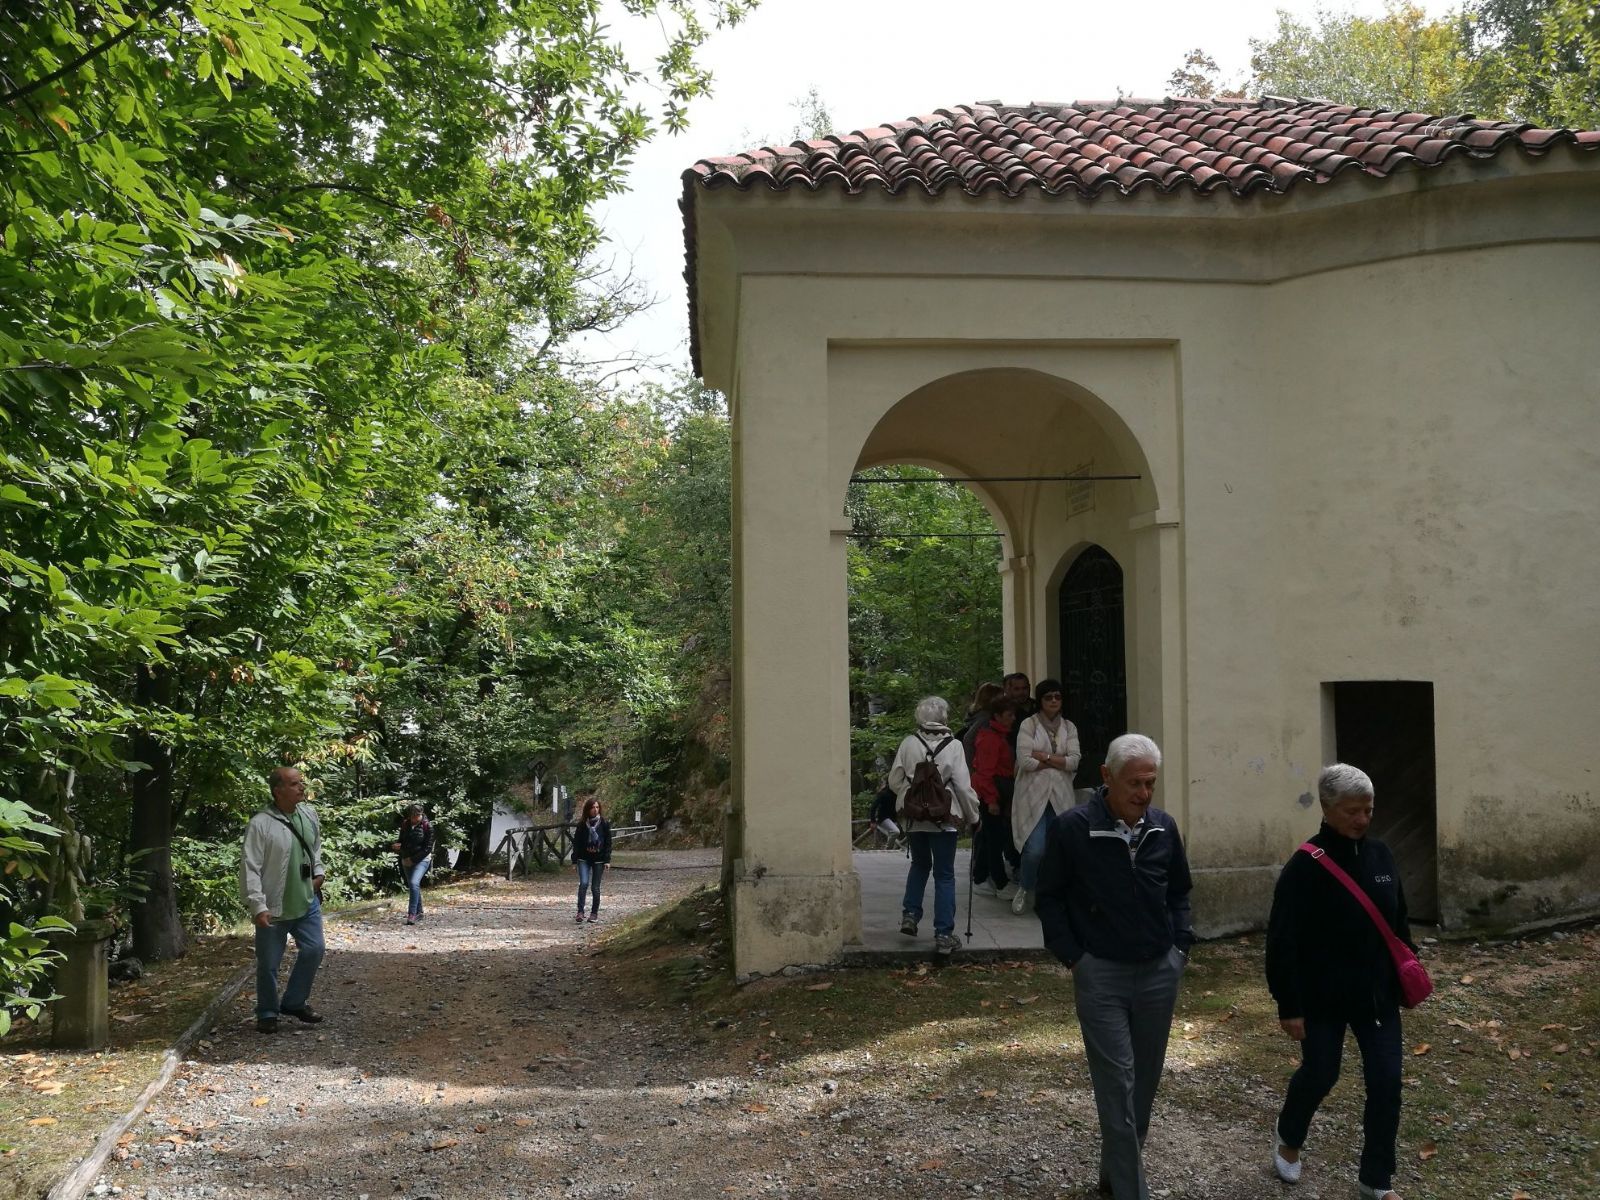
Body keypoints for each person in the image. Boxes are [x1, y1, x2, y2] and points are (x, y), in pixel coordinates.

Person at [1035, 733, 1193, 1200]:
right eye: (1135, 783)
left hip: (1158, 972)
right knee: (1117, 1083)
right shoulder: (1073, 828)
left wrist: (1180, 948)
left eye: (1151, 783)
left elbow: (1180, 892)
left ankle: (1114, 1171)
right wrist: (1075, 957)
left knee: (1143, 1084)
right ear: (1107, 776)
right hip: (1101, 974)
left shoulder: (1163, 828)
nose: (1144, 794)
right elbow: (1049, 898)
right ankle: (1131, 1190)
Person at [1265, 764, 1413, 1200]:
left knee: (1386, 1083)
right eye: (1352, 811)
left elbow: (1399, 922)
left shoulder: (1382, 855)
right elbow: (1282, 941)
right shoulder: (1304, 866)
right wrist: (1289, 1005)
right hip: (1321, 998)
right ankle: (1289, 1133)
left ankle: (1376, 1180)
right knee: (1321, 1073)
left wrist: (1407, 970)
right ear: (1327, 808)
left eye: (1368, 810)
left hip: (1377, 997)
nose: (1362, 819)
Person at [888, 695, 981, 958]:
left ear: (920, 717)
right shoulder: (955, 746)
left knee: (919, 865)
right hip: (944, 819)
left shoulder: (909, 743)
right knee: (944, 875)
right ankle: (943, 934)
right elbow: (962, 786)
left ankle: (910, 914)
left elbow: (894, 781)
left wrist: (912, 795)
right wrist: (973, 816)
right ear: (944, 717)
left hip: (915, 818)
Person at [241, 767, 326, 1035]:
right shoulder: (260, 824)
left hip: (306, 901)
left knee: (314, 950)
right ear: (278, 791)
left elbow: (315, 849)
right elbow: (250, 867)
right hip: (273, 907)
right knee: (268, 965)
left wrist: (319, 873)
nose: (301, 787)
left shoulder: (309, 815)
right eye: (294, 784)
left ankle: (294, 1002)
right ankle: (267, 1012)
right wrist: (258, 905)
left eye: (301, 783)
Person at [1009, 678, 1080, 915]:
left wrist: (1045, 757)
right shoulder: (1028, 725)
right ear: (1040, 700)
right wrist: (1058, 762)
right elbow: (1025, 761)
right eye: (1048, 697)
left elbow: (1074, 761)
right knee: (1035, 849)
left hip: (1060, 795)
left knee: (1059, 849)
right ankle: (1025, 887)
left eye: (1057, 696)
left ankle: (1050, 894)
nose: (1053, 701)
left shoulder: (1069, 727)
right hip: (1033, 795)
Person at [969, 694, 1017, 899]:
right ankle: (999, 881)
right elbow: (985, 773)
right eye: (1009, 715)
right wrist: (991, 800)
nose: (1013, 718)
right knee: (994, 838)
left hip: (997, 791)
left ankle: (981, 877)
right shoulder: (990, 738)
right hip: (992, 792)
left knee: (989, 837)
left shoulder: (999, 735)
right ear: (997, 716)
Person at [571, 797, 612, 923]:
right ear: (588, 809)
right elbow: (576, 843)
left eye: (597, 807)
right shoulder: (582, 825)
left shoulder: (604, 823)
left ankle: (594, 913)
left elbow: (608, 843)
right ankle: (580, 911)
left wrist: (607, 860)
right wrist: (574, 861)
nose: (595, 810)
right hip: (584, 858)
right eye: (593, 807)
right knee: (583, 883)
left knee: (595, 887)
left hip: (599, 859)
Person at [391, 803, 434, 926]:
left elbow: (428, 848)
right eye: (412, 816)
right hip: (406, 859)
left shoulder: (428, 826)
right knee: (413, 886)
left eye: (417, 816)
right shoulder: (405, 824)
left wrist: (413, 860)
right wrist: (398, 846)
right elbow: (402, 841)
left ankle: (412, 914)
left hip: (422, 860)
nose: (415, 818)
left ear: (421, 814)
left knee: (414, 883)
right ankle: (419, 912)